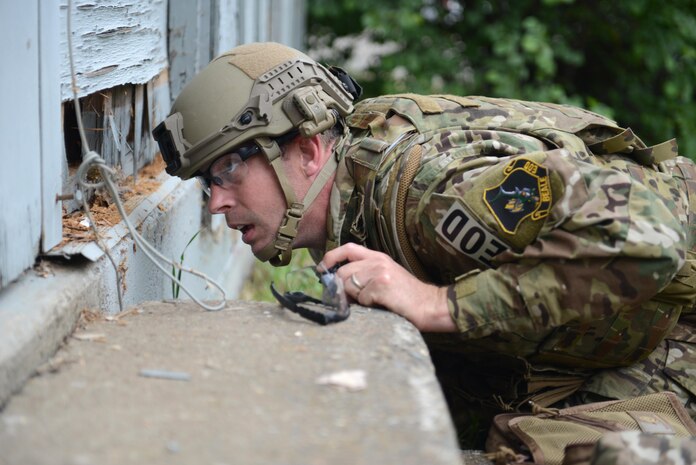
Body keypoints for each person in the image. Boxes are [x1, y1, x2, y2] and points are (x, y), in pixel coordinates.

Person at [153, 42, 696, 444]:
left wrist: (438, 305)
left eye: (226, 171)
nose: (216, 203)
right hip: (611, 335)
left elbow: (648, 235)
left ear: (308, 148)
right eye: (207, 183)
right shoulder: (353, 196)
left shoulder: (428, 195)